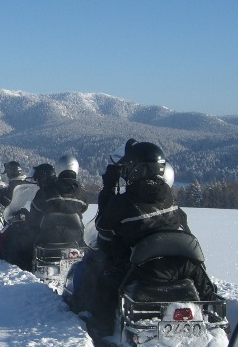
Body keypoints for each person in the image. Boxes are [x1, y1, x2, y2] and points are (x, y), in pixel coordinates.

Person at [89, 139, 216, 333]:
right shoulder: (169, 196)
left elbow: (103, 230)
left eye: (127, 167)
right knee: (210, 295)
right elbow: (184, 224)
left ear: (136, 169)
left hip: (146, 268)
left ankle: (102, 331)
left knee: (105, 281)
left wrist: (108, 188)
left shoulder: (123, 203)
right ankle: (217, 327)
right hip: (185, 266)